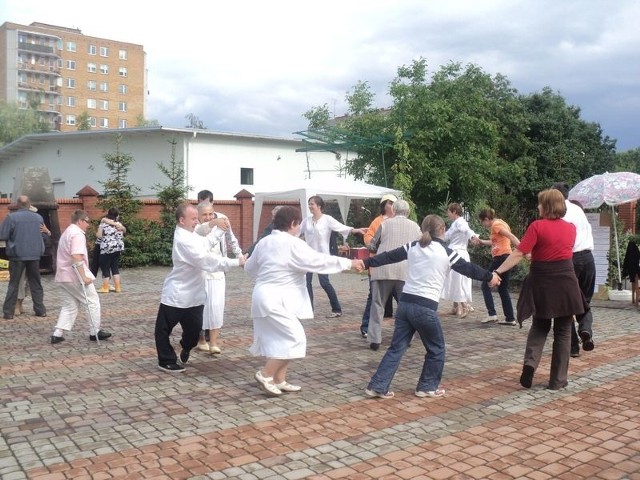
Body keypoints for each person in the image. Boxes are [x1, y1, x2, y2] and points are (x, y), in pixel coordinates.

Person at [360, 214, 500, 399]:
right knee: (436, 349)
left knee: (396, 348)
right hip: (424, 308)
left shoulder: (413, 246)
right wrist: (490, 276)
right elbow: (469, 268)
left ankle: (377, 386)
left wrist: (365, 262)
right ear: (441, 230)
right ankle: (426, 387)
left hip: (405, 306)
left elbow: (388, 256)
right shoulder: (446, 253)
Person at [244, 206, 362, 396]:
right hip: (276, 299)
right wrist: (349, 263)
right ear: (293, 224)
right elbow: (319, 260)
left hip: (264, 296)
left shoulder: (264, 242)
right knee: (296, 338)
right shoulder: (293, 244)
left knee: (280, 340)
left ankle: (279, 379)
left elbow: (249, 269)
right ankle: (265, 374)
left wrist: (269, 275)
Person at [493, 189, 588, 390]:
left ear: (547, 206)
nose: (537, 207)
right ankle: (558, 380)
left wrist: (498, 271)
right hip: (565, 282)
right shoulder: (570, 228)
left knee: (540, 326)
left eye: (540, 204)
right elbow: (561, 251)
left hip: (542, 281)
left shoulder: (537, 226)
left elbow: (519, 253)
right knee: (563, 331)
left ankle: (530, 364)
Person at [154, 203, 245, 373]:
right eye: (194, 218)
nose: (197, 221)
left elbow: (206, 242)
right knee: (163, 329)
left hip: (195, 295)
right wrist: (235, 261)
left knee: (194, 333)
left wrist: (220, 229)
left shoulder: (191, 234)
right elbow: (206, 260)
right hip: (176, 294)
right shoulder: (182, 239)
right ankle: (166, 360)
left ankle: (186, 347)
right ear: (182, 220)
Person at [298, 195, 366, 318]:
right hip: (308, 257)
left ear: (319, 206)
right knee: (306, 282)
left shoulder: (327, 219)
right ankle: (309, 309)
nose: (309, 206)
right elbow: (296, 232)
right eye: (309, 203)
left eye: (312, 203)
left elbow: (341, 228)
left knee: (324, 283)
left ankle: (336, 309)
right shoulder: (306, 221)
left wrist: (355, 230)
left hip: (323, 257)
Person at [50, 210, 112, 344]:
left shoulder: (67, 232)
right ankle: (94, 331)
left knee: (70, 305)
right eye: (87, 222)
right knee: (92, 301)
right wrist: (83, 277)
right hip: (74, 276)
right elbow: (76, 256)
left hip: (63, 275)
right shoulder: (77, 234)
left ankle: (57, 333)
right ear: (80, 221)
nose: (88, 225)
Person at [367, 200, 421, 351]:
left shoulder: (384, 224)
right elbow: (421, 246)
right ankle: (406, 337)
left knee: (378, 304)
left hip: (382, 268)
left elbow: (372, 245)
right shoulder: (415, 227)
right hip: (404, 270)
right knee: (405, 306)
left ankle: (375, 339)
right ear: (408, 212)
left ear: (394, 210)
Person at [552, 182, 596, 357]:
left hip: (571, 260)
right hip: (588, 259)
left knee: (566, 304)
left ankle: (572, 347)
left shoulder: (561, 213)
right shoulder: (578, 210)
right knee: (584, 301)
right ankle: (585, 330)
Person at [194, 201, 243, 354]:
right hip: (201, 273)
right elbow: (202, 231)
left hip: (218, 272)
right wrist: (213, 223)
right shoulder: (195, 227)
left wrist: (240, 256)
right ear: (198, 216)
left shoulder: (222, 222)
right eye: (205, 215)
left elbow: (231, 239)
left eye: (211, 214)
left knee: (216, 306)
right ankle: (201, 339)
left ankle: (214, 342)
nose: (208, 217)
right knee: (201, 307)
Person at [0, 195, 47, 320]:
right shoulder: (38, 218)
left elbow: (2, 235)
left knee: (14, 284)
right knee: (36, 283)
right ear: (29, 204)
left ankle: (8, 312)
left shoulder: (11, 217)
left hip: (17, 255)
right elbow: (43, 234)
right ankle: (40, 310)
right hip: (35, 254)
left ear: (18, 204)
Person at [471, 208, 520, 325]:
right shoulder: (501, 223)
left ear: (487, 219)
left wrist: (523, 249)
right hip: (506, 257)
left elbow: (512, 237)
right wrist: (481, 241)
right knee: (503, 288)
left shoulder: (496, 225)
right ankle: (510, 318)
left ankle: (492, 314)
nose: (483, 225)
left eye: (482, 222)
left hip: (501, 258)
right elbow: (494, 242)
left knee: (485, 285)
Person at [359, 194, 397, 338]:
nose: (393, 206)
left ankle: (408, 328)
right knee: (374, 297)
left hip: (396, 266)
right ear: (384, 205)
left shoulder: (399, 221)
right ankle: (366, 327)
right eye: (390, 203)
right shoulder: (378, 221)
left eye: (394, 203)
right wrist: (372, 245)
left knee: (402, 297)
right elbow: (368, 238)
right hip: (378, 265)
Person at [441, 203, 477, 318]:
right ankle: (456, 307)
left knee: (458, 279)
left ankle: (464, 305)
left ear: (454, 212)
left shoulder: (460, 222)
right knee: (454, 279)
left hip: (458, 253)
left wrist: (472, 237)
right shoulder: (455, 224)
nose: (448, 214)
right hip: (455, 252)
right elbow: (446, 236)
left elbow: (467, 231)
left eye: (449, 211)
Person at [15, 206, 52, 316]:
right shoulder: (19, 223)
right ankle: (17, 305)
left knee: (30, 283)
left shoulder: (37, 224)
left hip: (33, 256)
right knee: (21, 282)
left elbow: (46, 238)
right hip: (21, 256)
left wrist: (47, 231)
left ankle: (21, 305)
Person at [96, 207, 126, 293]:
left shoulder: (103, 224)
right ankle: (118, 287)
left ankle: (105, 287)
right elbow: (123, 232)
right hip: (117, 248)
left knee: (105, 268)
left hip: (106, 248)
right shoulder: (119, 224)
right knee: (115, 268)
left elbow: (99, 236)